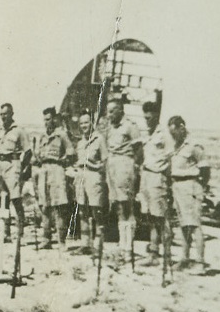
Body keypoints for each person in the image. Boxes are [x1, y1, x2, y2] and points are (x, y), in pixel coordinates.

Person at [168, 115, 209, 271]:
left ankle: (200, 262)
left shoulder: (194, 145)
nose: (173, 136)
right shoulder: (176, 146)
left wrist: (199, 188)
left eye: (175, 132)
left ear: (182, 128)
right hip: (178, 187)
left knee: (195, 225)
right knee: (183, 225)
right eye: (171, 134)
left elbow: (205, 169)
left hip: (191, 186)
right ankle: (185, 259)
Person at [104, 97, 142, 262]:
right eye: (108, 111)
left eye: (112, 111)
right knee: (119, 207)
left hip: (125, 166)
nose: (109, 114)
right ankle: (122, 244)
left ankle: (128, 248)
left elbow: (139, 149)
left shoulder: (130, 126)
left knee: (127, 207)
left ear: (120, 110)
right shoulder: (111, 127)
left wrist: (133, 167)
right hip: (112, 167)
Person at [34, 106, 76, 248]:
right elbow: (38, 154)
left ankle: (61, 240)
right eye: (45, 120)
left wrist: (62, 161)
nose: (46, 122)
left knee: (59, 206)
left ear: (54, 119)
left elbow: (71, 153)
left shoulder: (61, 135)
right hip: (44, 170)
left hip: (57, 170)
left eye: (49, 119)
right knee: (44, 206)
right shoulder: (42, 137)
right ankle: (46, 238)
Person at [0, 103, 32, 242]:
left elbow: (28, 152)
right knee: (3, 199)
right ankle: (5, 232)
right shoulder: (0, 131)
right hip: (0, 166)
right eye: (1, 114)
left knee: (16, 199)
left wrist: (21, 168)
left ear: (12, 114)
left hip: (13, 165)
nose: (3, 117)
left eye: (6, 114)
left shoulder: (19, 131)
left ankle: (20, 232)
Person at [73, 111, 108, 253]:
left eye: (86, 122)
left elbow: (105, 161)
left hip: (94, 177)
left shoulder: (99, 139)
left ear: (92, 123)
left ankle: (98, 245)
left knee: (96, 211)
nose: (84, 126)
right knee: (82, 211)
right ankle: (85, 244)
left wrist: (95, 166)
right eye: (81, 123)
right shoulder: (80, 142)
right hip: (81, 177)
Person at [140, 101, 171, 258]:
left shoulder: (164, 134)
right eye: (145, 117)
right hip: (146, 177)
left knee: (160, 216)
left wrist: (168, 178)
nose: (147, 120)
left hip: (158, 177)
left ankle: (166, 253)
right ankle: (153, 249)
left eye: (149, 117)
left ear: (156, 115)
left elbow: (171, 156)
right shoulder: (148, 134)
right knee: (150, 215)